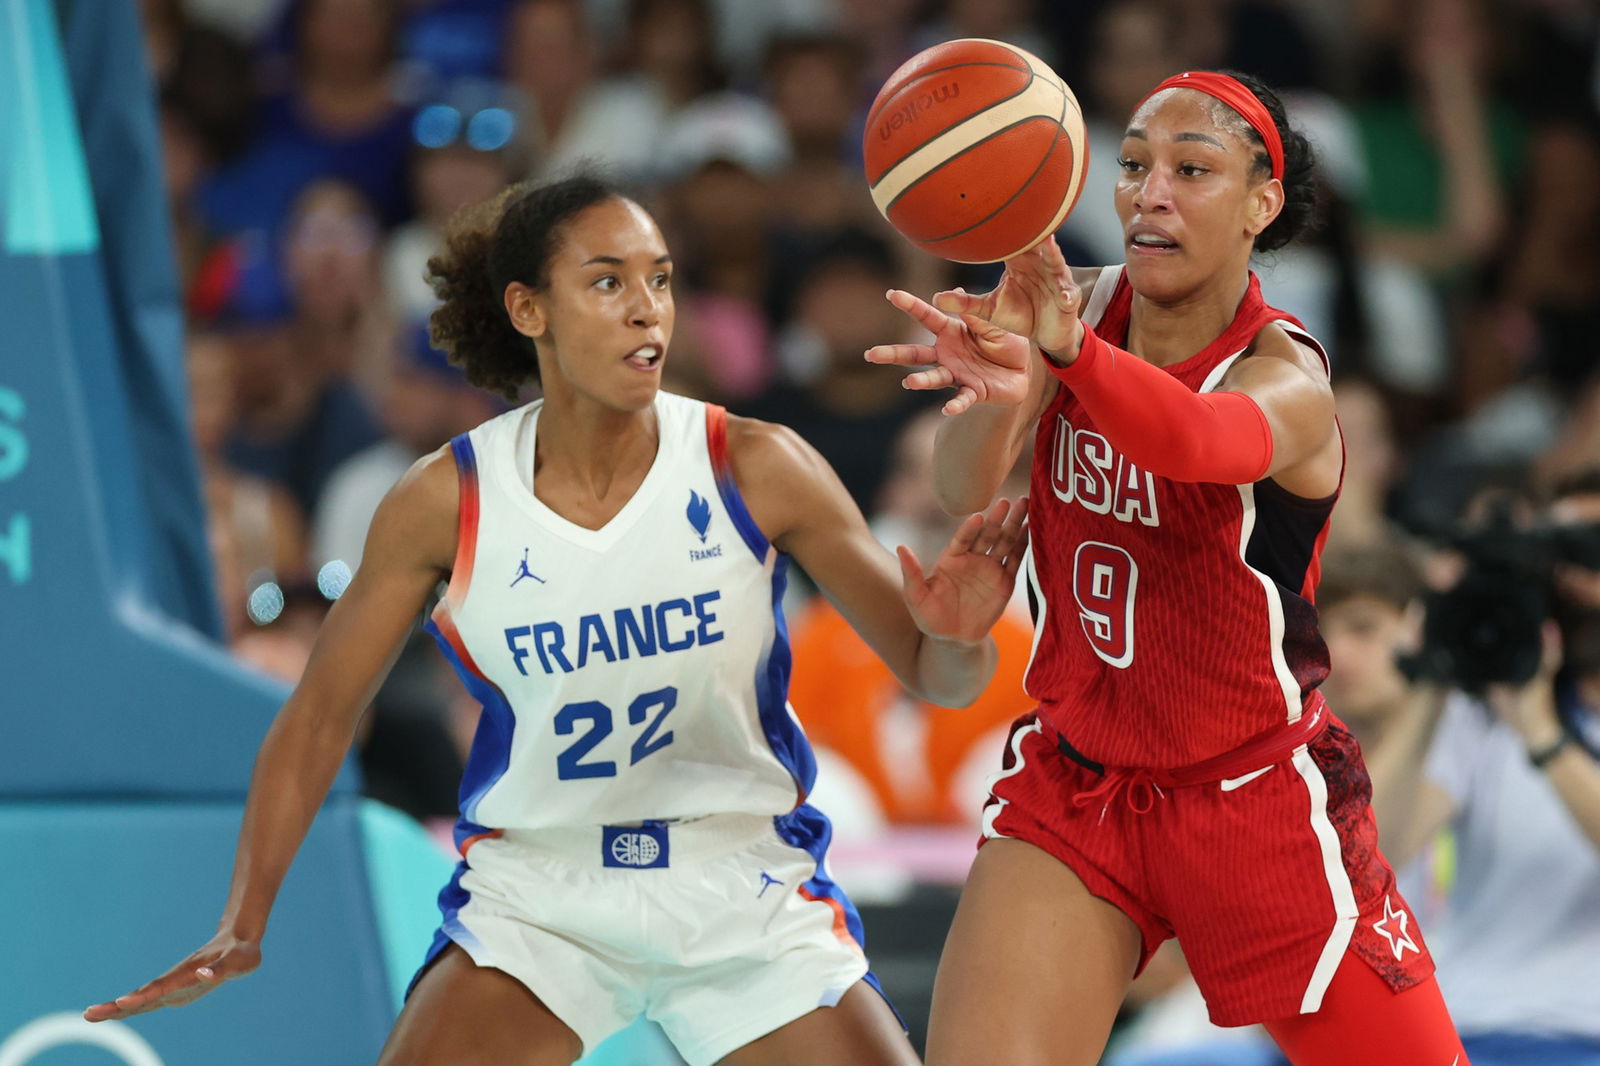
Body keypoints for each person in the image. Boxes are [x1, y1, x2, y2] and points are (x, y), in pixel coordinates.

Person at [84, 174, 1030, 1066]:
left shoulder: (757, 463)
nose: (645, 306)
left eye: (659, 280)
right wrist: (245, 920)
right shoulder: (443, 500)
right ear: (528, 309)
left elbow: (937, 677)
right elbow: (317, 717)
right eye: (607, 281)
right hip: (543, 896)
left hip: (739, 883)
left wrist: (956, 633)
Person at [865, 70, 1469, 1066]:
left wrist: (1067, 356)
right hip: (1078, 784)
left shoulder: (1285, 377)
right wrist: (998, 386)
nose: (1150, 191)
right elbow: (963, 482)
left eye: (1192, 169)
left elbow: (1195, 442)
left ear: (1259, 203)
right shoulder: (1071, 312)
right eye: (1136, 163)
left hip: (1252, 794)